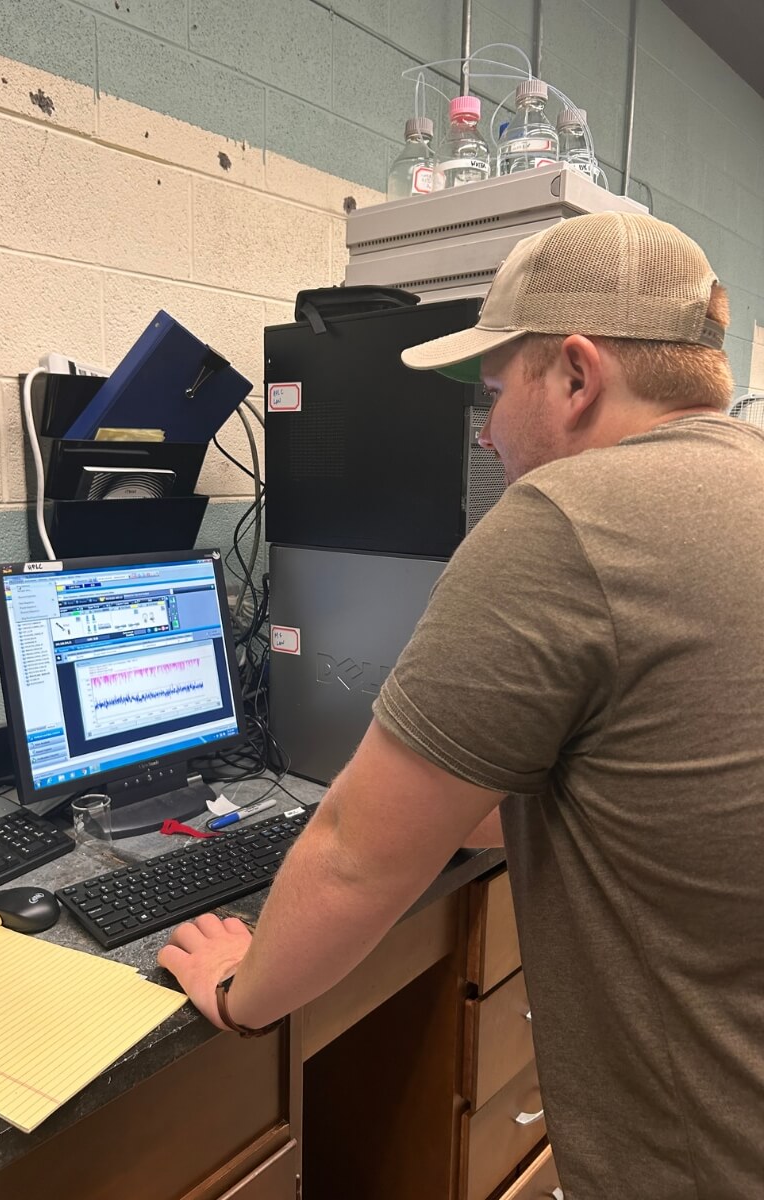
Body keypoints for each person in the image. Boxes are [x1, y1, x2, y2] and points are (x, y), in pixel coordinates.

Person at [159, 212, 764, 1199]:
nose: (485, 433)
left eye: (494, 391)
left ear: (575, 375)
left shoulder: (569, 517)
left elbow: (355, 851)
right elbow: (650, 775)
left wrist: (239, 992)